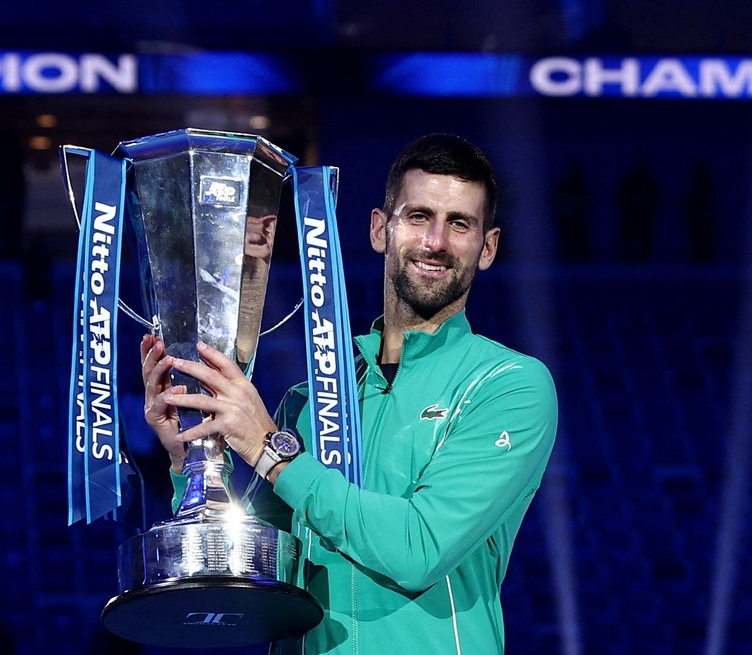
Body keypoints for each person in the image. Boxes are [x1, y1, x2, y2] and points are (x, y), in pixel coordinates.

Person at [139, 133, 558, 654]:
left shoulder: (507, 385)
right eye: (418, 216)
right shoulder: (310, 398)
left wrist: (271, 451)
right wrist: (193, 461)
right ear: (381, 229)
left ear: (487, 247)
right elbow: (249, 568)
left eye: (459, 224)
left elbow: (419, 549)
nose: (436, 242)